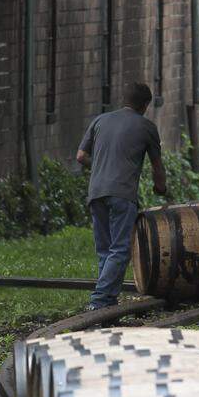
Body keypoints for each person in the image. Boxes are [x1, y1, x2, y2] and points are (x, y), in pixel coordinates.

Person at [76, 82, 167, 310]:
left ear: (123, 99)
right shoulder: (147, 127)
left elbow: (80, 156)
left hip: (96, 192)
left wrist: (99, 166)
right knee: (120, 249)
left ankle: (108, 303)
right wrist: (161, 188)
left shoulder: (100, 120)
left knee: (105, 250)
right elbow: (157, 167)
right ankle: (98, 302)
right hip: (122, 193)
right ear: (145, 105)